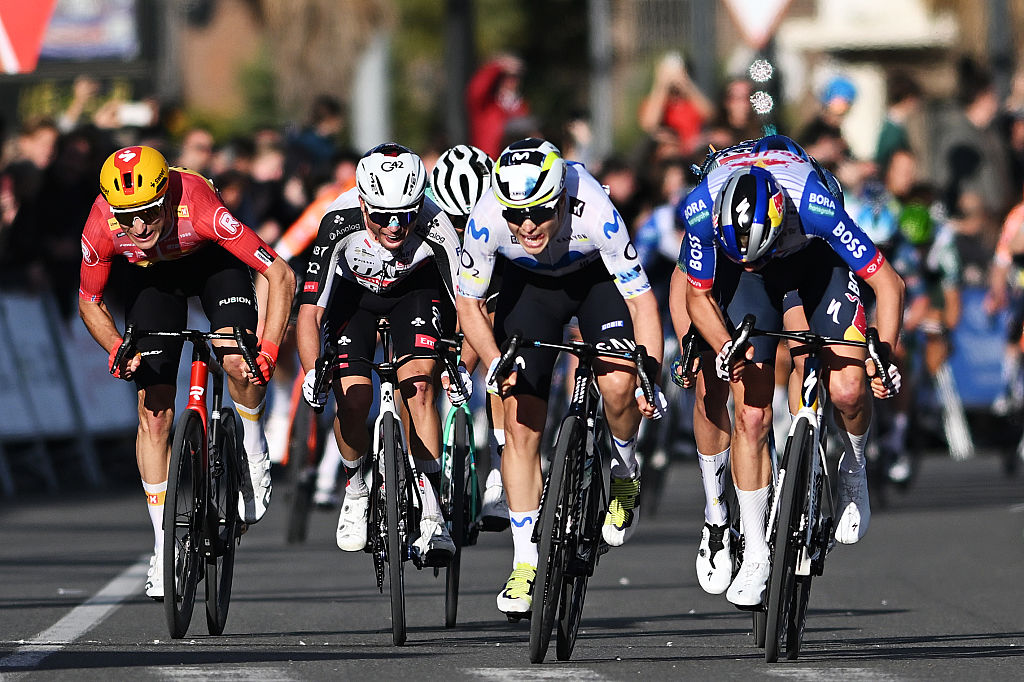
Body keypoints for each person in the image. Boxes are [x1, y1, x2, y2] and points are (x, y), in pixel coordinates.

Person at [679, 136, 905, 606]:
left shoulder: (815, 205)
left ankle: (854, 466)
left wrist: (881, 351)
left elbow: (888, 282)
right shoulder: (701, 210)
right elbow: (696, 296)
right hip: (743, 280)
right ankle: (756, 549)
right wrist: (724, 348)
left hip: (814, 261)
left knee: (847, 388)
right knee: (753, 415)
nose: (755, 257)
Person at [455, 138, 667, 617]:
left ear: (561, 200)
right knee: (520, 415)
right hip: (529, 289)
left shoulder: (595, 208)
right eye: (516, 215)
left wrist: (646, 376)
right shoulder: (487, 218)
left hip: (595, 283)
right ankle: (525, 561)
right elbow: (468, 304)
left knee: (616, 384)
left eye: (539, 213)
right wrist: (494, 360)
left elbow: (641, 303)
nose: (526, 225)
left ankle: (625, 471)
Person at [79, 145, 296, 599]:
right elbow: (90, 300)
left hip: (213, 265)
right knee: (154, 410)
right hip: (153, 279)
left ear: (165, 199)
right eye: (127, 217)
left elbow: (281, 274)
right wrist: (117, 347)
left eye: (148, 214)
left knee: (236, 356)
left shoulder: (198, 205)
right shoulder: (102, 223)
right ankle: (164, 546)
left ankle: (254, 447)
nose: (137, 227)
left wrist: (270, 351)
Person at [296, 143, 460, 566]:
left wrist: (457, 361)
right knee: (354, 397)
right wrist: (314, 371)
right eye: (381, 215)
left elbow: (467, 304)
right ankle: (354, 487)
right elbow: (311, 311)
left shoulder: (437, 223)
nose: (392, 227)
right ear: (363, 202)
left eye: (404, 215)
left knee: (419, 389)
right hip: (356, 300)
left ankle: (432, 511)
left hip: (415, 295)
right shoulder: (338, 219)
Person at [428, 144, 510, 530]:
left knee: (501, 353)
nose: (461, 229)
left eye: (468, 219)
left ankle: (500, 470)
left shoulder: (503, 210)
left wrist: (467, 360)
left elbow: (480, 307)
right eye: (453, 220)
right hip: (437, 287)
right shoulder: (423, 209)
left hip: (490, 285)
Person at [466, 54, 531, 158]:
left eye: (515, 77)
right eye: (506, 76)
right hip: (487, 161)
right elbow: (477, 89)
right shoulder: (488, 104)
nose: (511, 81)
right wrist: (498, 65)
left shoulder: (520, 105)